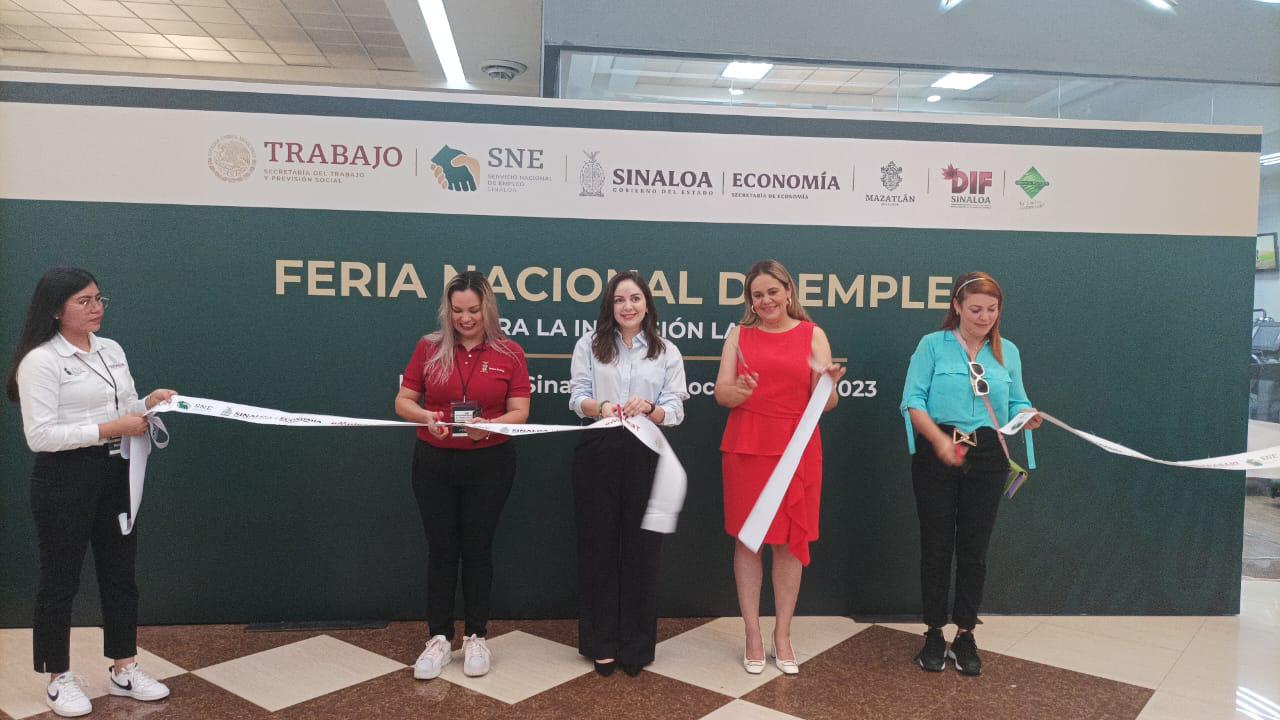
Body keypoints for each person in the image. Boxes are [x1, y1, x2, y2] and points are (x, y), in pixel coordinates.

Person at [6, 267, 176, 718]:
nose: (96, 307)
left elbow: (125, 406)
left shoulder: (111, 350)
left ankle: (124, 667)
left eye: (99, 298)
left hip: (117, 471)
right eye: (84, 301)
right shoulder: (40, 360)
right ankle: (57, 677)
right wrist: (109, 428)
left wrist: (148, 403)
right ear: (55, 309)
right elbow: (40, 435)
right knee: (60, 579)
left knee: (120, 573)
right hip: (64, 478)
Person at [899, 270, 1041, 676]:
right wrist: (939, 441)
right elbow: (912, 401)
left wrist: (1027, 416)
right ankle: (933, 631)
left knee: (975, 549)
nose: (984, 317)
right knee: (936, 545)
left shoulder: (1008, 351)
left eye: (992, 310)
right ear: (957, 307)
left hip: (988, 456)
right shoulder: (932, 345)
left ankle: (965, 633)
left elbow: (1017, 401)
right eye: (975, 309)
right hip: (938, 451)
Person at [394, 270, 530, 680]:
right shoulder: (428, 347)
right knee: (441, 550)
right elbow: (403, 401)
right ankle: (438, 638)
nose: (465, 318)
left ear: (488, 308)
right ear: (447, 310)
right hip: (434, 463)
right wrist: (426, 417)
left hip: (490, 464)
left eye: (473, 310)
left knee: (477, 549)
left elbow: (521, 412)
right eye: (457, 311)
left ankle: (476, 636)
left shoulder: (510, 352)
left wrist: (490, 426)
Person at [715, 259, 844, 676]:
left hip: (796, 448)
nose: (766, 300)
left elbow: (827, 404)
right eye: (757, 295)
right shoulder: (739, 335)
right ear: (750, 301)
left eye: (772, 291)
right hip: (747, 446)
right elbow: (721, 394)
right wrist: (741, 390)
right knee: (748, 541)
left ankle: (783, 634)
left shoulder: (813, 334)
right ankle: (753, 633)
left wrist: (827, 382)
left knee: (789, 542)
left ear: (788, 291)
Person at [568, 270, 688, 677]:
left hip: (646, 451)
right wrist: (600, 407)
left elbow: (676, 409)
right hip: (598, 448)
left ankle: (636, 645)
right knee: (597, 548)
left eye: (635, 298)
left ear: (647, 305)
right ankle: (600, 643)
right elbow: (577, 397)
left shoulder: (666, 351)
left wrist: (651, 409)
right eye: (619, 299)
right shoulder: (589, 345)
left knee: (642, 552)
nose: (628, 306)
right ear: (610, 306)